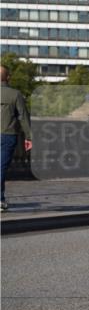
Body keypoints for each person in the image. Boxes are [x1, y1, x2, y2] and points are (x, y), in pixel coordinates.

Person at [1, 65, 32, 211]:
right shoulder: (15, 94)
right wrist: (29, 137)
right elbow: (23, 117)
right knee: (1, 168)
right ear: (8, 77)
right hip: (8, 135)